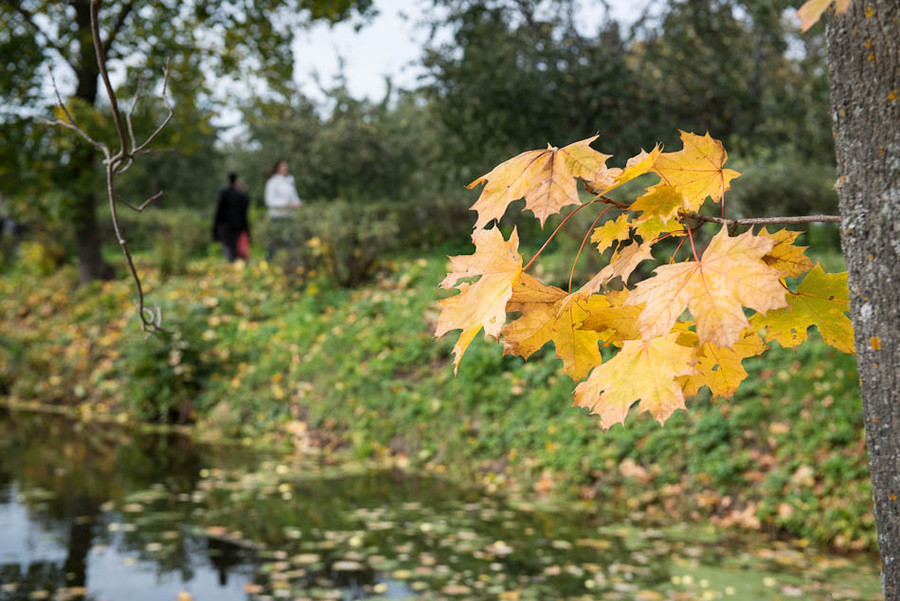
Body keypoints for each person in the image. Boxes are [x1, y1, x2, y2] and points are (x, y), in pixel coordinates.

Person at [212, 172, 251, 262]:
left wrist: (215, 227)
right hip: (239, 225)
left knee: (228, 246)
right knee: (237, 245)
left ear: (228, 180)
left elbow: (219, 211)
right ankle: (236, 264)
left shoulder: (223, 193)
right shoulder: (242, 195)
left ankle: (231, 262)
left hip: (226, 225)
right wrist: (246, 228)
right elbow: (245, 213)